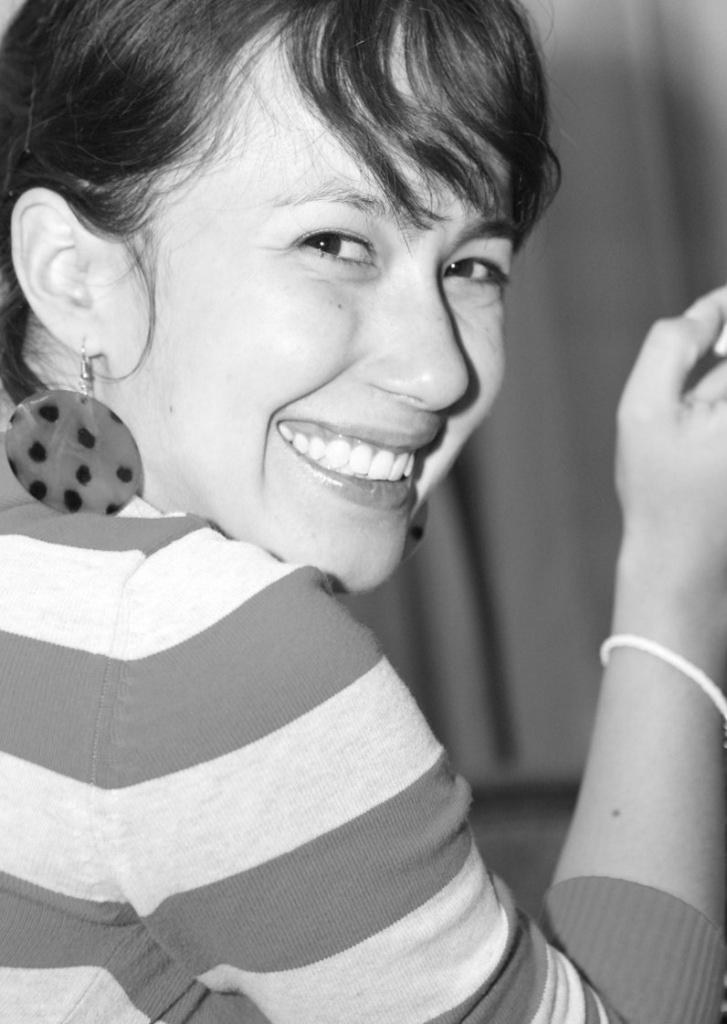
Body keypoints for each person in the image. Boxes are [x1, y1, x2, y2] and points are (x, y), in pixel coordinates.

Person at [0, 0, 725, 1021]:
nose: (438, 371)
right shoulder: (207, 656)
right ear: (74, 274)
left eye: (471, 266)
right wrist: (676, 578)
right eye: (336, 243)